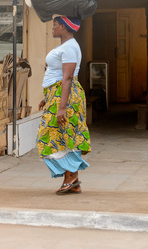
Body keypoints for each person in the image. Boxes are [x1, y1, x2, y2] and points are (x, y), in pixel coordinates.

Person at [37, 15, 91, 195]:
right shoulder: (65, 46)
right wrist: (48, 96)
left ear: (63, 27)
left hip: (65, 96)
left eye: (55, 25)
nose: (52, 28)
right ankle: (72, 180)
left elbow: (67, 78)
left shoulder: (69, 47)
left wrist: (61, 107)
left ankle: (71, 177)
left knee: (53, 134)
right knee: (62, 134)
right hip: (57, 94)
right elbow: (57, 75)